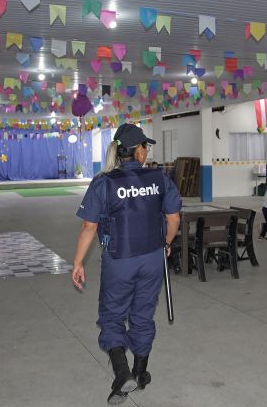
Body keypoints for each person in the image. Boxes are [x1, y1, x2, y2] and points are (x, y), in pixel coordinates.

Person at [71, 124, 182, 405]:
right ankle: (140, 373)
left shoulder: (104, 182)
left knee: (111, 316)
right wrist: (166, 244)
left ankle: (122, 374)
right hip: (152, 258)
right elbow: (174, 219)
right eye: (146, 146)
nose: (147, 152)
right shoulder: (160, 178)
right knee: (143, 314)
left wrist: (78, 262)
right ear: (139, 150)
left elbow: (89, 226)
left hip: (120, 260)